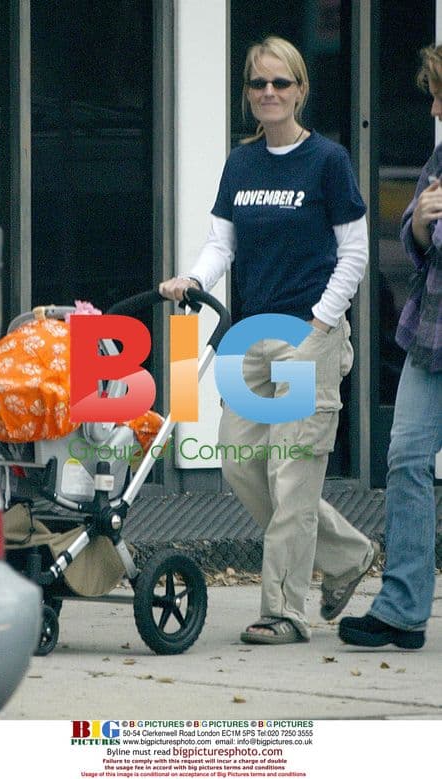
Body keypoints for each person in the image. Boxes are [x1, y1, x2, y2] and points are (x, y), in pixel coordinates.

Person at [160, 35, 378, 645]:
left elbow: (354, 253)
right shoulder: (242, 163)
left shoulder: (328, 161)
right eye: (258, 84)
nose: (269, 93)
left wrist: (321, 322)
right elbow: (222, 244)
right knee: (239, 462)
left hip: (306, 336)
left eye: (281, 83)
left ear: (301, 90)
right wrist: (194, 279)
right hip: (249, 336)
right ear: (248, 94)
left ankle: (284, 610)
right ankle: (347, 556)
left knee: (292, 472)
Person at [339, 44, 442, 650]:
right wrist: (424, 225)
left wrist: (433, 224)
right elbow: (409, 235)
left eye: (439, 94)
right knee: (405, 459)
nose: (433, 107)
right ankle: (403, 610)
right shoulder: (438, 156)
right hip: (429, 341)